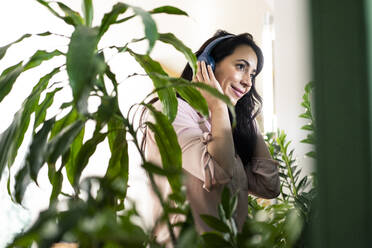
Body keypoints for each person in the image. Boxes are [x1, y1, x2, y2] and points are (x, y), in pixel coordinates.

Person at [142, 30, 280, 245]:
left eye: (252, 74)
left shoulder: (228, 118)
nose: (248, 82)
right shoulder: (170, 111)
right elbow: (217, 171)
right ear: (208, 65)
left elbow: (268, 186)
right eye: (241, 66)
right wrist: (217, 105)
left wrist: (246, 117)